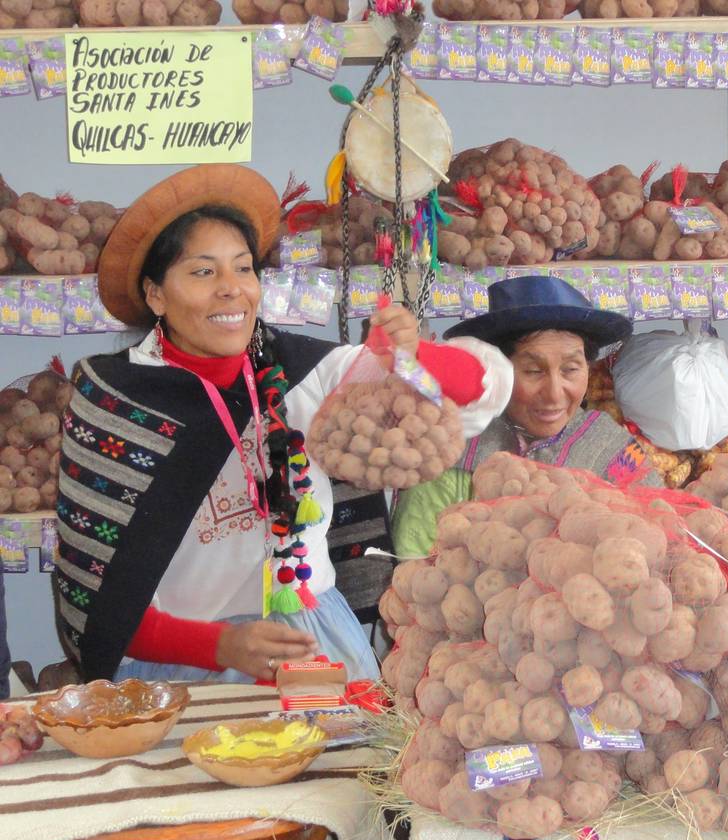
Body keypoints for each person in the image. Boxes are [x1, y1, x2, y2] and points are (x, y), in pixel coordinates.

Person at [53, 164, 508, 684]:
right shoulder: (115, 404)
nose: (231, 290)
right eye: (203, 272)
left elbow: (483, 388)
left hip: (316, 645)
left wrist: (414, 353)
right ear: (156, 294)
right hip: (183, 667)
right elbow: (99, 602)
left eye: (243, 269)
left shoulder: (303, 374)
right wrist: (221, 646)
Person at [391, 275, 660, 557]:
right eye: (533, 371)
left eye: (570, 369)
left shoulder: (607, 447)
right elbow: (413, 574)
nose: (555, 394)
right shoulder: (448, 455)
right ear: (497, 371)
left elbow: (657, 531)